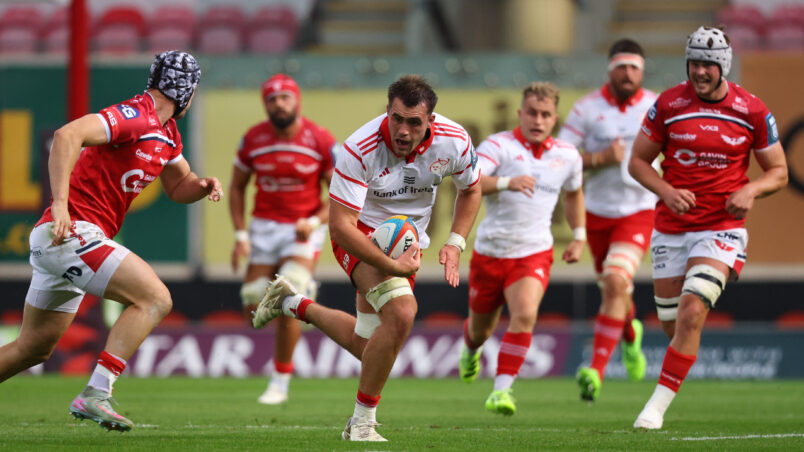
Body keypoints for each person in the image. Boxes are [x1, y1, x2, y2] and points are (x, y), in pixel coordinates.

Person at [0, 51, 221, 431]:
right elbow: (67, 135)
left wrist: (202, 187)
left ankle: (94, 393)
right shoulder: (137, 115)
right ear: (185, 89)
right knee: (154, 299)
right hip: (72, 232)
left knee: (33, 348)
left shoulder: (167, 134)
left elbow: (178, 186)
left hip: (64, 242)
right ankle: (96, 393)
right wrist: (59, 204)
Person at [252, 75, 482, 441]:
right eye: (396, 118)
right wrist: (391, 265)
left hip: (406, 244)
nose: (403, 130)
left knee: (369, 346)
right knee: (402, 313)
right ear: (387, 111)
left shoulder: (454, 142)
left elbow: (471, 189)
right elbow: (341, 226)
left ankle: (293, 303)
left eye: (414, 122)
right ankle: (361, 423)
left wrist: (455, 241)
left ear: (430, 123)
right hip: (358, 235)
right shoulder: (359, 148)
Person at [628, 26, 787, 429]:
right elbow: (638, 162)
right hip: (671, 229)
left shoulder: (752, 110)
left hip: (721, 228)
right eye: (694, 63)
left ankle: (654, 408)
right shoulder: (668, 104)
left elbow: (780, 172)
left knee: (692, 310)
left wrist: (752, 190)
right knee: (671, 322)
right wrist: (665, 190)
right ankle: (680, 364)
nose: (699, 72)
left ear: (724, 67)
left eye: (708, 66)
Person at [458, 82, 586, 415]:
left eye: (545, 114)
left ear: (554, 118)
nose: (538, 120)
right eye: (532, 112)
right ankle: (471, 351)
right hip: (490, 251)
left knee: (525, 314)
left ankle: (502, 391)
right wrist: (506, 182)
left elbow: (574, 194)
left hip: (532, 252)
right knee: (478, 331)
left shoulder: (567, 155)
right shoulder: (498, 146)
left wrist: (579, 235)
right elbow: (470, 182)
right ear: (520, 113)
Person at [557, 38, 657, 401]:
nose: (628, 73)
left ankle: (595, 371)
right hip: (596, 213)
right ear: (610, 70)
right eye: (621, 66)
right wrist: (600, 158)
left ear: (642, 71)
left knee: (616, 281)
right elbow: (562, 158)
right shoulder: (586, 109)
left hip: (639, 210)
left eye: (634, 67)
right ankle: (631, 335)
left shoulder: (655, 106)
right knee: (615, 289)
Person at [229, 74, 337, 405]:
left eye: (285, 98)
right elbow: (236, 187)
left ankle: (280, 380)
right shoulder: (253, 139)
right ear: (265, 104)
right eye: (272, 99)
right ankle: (301, 296)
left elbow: (337, 193)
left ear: (297, 100)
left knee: (289, 296)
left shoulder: (319, 139)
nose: (279, 104)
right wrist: (241, 235)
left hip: (301, 228)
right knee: (253, 310)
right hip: (263, 228)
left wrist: (315, 220)